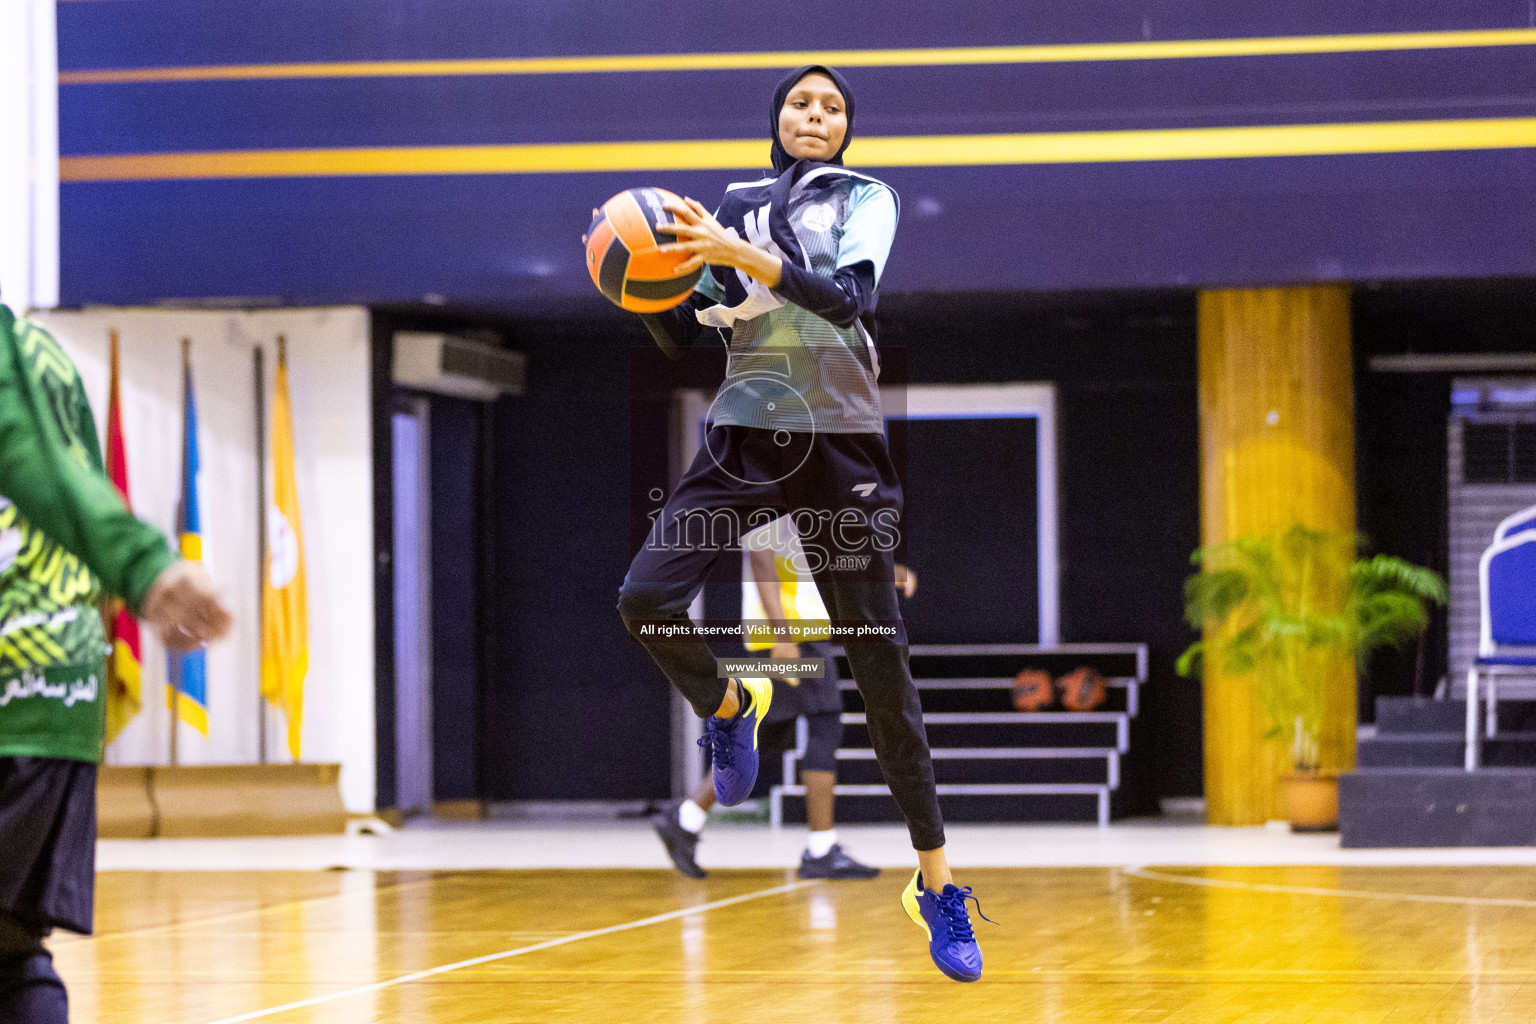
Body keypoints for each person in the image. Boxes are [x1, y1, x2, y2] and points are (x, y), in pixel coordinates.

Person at [615, 65, 987, 982]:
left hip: (841, 445)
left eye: (831, 106)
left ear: (847, 128)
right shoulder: (730, 204)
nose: (813, 115)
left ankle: (937, 885)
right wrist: (638, 276)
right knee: (644, 596)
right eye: (799, 103)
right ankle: (730, 704)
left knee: (881, 677)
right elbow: (694, 322)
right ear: (775, 119)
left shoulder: (869, 198)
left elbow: (848, 299)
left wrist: (742, 259)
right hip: (746, 435)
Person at [0, 303, 234, 1021]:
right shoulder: (38, 349)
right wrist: (143, 571)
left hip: (29, 672)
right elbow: (52, 471)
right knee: (10, 954)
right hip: (54, 677)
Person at [651, 517, 881, 881]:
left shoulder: (798, 492)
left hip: (795, 631)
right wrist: (783, 635)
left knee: (766, 733)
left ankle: (685, 818)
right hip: (789, 634)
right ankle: (820, 849)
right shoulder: (772, 489)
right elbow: (761, 554)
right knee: (825, 722)